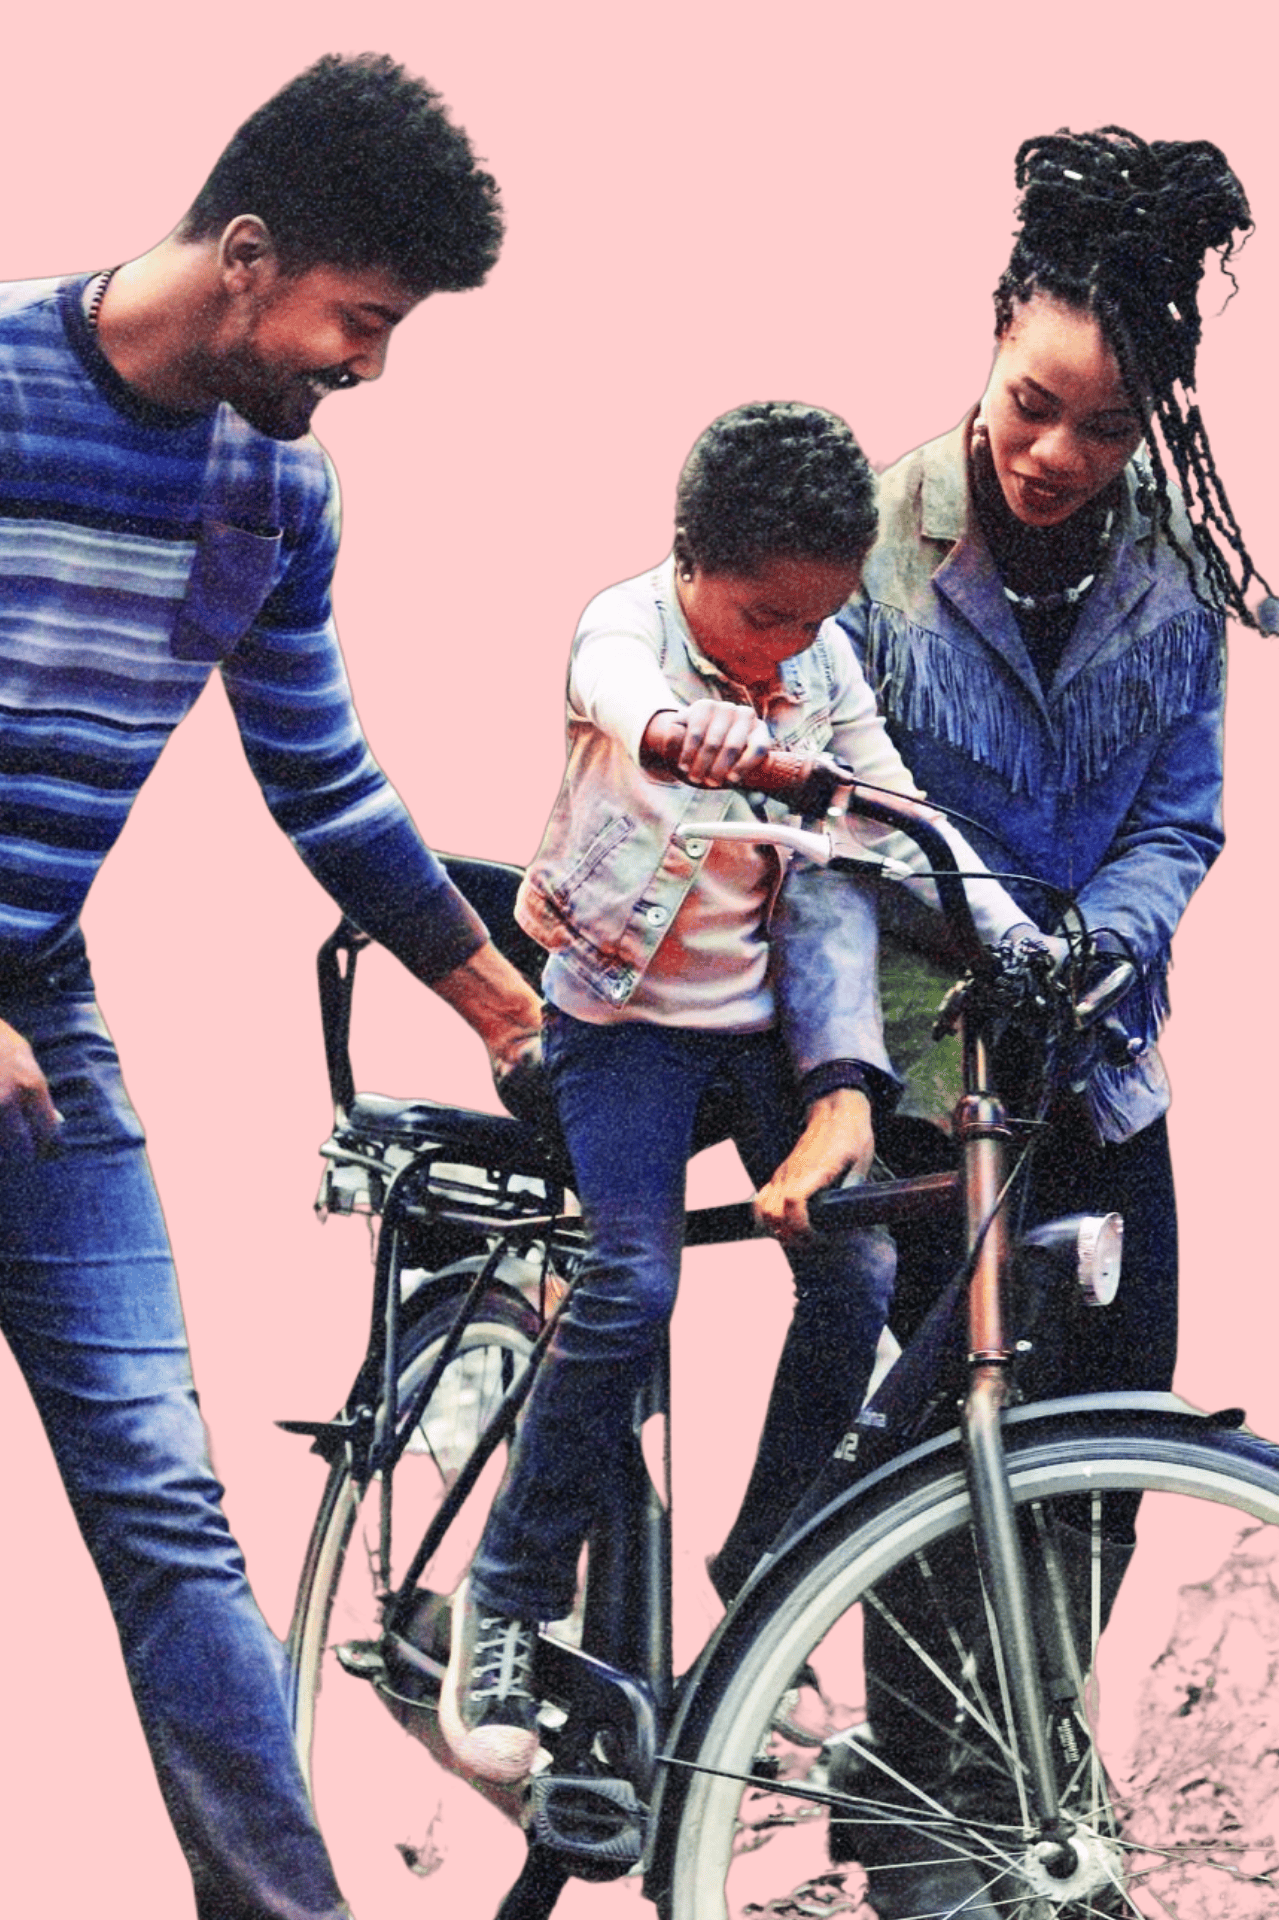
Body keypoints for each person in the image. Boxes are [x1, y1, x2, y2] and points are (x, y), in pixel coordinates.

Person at [0, 54, 542, 1920]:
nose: (369, 368)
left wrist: (495, 1001)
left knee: (164, 1501)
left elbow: (321, 776)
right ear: (248, 255)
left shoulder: (275, 486)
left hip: (31, 1010)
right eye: (362, 320)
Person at [436, 403, 1042, 1785]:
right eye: (763, 616)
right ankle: (509, 1597)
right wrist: (687, 734)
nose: (783, 648)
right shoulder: (626, 630)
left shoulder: (819, 664)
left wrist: (1010, 932)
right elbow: (620, 697)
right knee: (633, 1283)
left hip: (757, 1029)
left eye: (812, 620)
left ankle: (765, 1559)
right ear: (689, 558)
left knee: (857, 1268)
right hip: (622, 1027)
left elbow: (896, 810)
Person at [828, 129, 1279, 1917]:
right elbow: (837, 817)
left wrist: (1104, 938)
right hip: (922, 1071)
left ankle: (1023, 1791)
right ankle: (915, 1843)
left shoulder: (1177, 570)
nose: (1056, 455)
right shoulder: (868, 542)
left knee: (1103, 1454)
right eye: (1033, 406)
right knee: (929, 1465)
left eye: (1105, 427)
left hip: (1098, 1069)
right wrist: (987, 932)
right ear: (994, 334)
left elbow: (1185, 812)